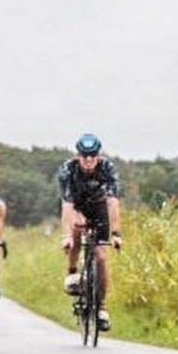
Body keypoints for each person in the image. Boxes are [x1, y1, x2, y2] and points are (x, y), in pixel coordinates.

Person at [58, 133, 122, 331]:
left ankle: (101, 307)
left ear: (98, 155)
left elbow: (112, 202)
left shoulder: (107, 168)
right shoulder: (68, 169)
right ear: (78, 155)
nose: (88, 160)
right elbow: (67, 205)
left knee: (101, 257)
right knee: (76, 231)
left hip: (99, 208)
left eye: (92, 155)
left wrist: (116, 234)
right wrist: (66, 236)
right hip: (77, 207)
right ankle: (72, 272)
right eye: (84, 155)